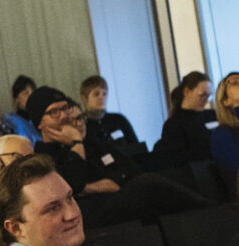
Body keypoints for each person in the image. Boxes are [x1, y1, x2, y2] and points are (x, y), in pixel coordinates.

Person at [25, 87, 208, 226]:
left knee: (164, 188)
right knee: (149, 185)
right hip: (89, 216)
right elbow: (74, 185)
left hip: (121, 200)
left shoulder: (93, 143)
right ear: (39, 122)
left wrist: (95, 185)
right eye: (54, 112)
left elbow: (131, 170)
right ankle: (210, 209)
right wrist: (76, 144)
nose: (64, 116)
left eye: (65, 109)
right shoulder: (43, 155)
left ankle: (207, 218)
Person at [154, 72, 215, 163]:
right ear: (186, 92)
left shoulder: (213, 115)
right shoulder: (174, 124)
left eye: (209, 96)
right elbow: (178, 160)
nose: (206, 101)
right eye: (202, 95)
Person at [78, 74, 142, 150]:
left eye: (104, 94)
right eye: (96, 94)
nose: (101, 98)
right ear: (85, 98)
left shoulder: (118, 119)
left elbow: (136, 147)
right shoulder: (81, 124)